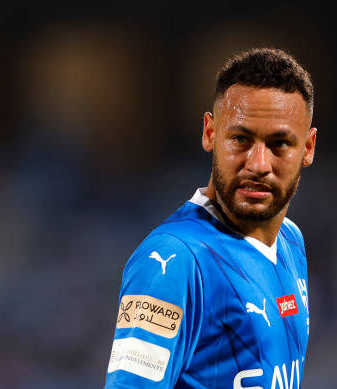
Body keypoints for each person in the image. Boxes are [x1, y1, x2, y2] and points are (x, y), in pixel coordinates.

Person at [105, 48, 317, 389]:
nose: (258, 163)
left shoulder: (291, 241)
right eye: (240, 139)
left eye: (279, 144)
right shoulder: (174, 259)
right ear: (209, 133)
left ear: (307, 148)